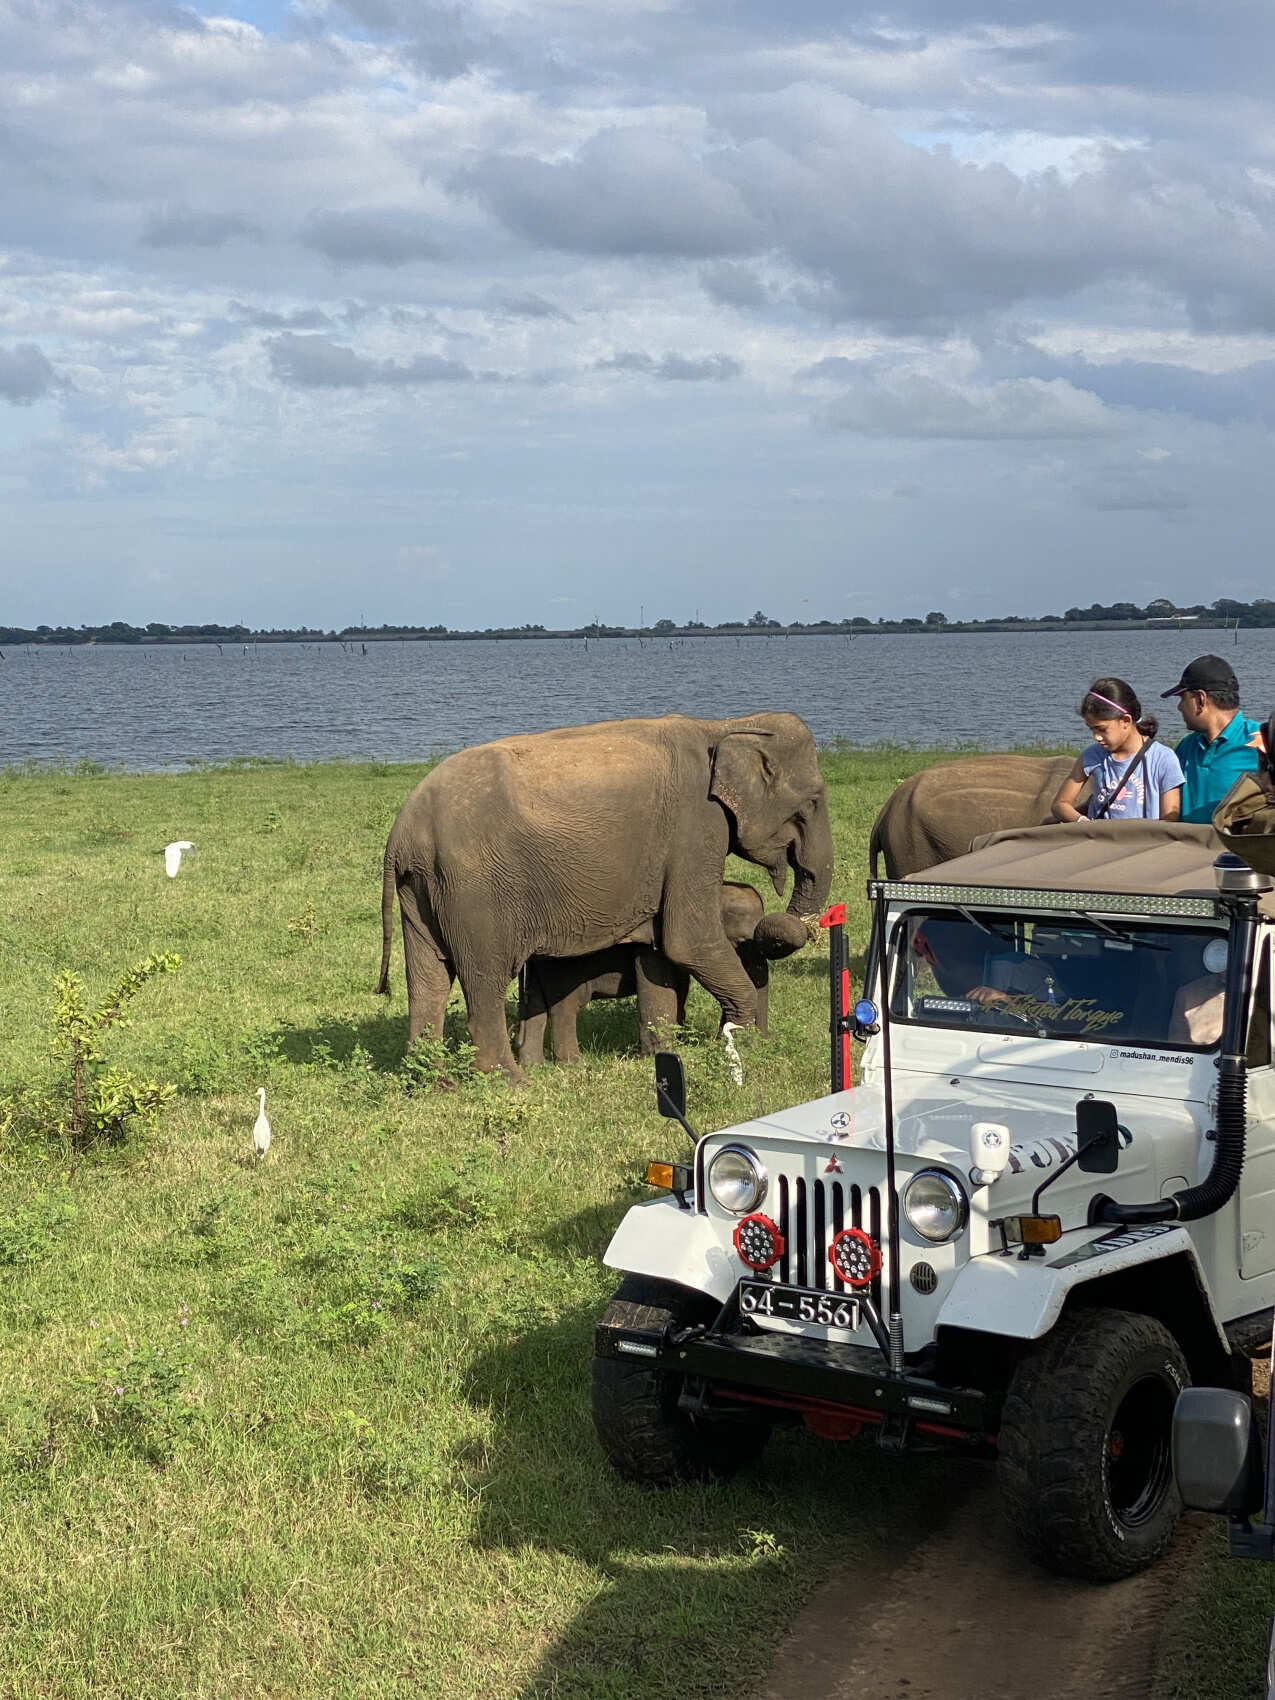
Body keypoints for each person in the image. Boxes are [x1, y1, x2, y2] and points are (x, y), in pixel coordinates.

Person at [1052, 677, 1183, 823]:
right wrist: (1083, 822)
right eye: (1092, 730)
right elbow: (1060, 804)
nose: (1097, 737)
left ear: (1125, 721)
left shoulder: (1163, 758)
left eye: (1102, 729)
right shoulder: (1092, 755)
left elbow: (1170, 818)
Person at [1161, 655, 1262, 825]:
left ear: (1201, 700)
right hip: (1187, 848)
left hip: (1239, 849)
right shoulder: (1186, 747)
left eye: (1182, 699)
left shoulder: (1261, 741)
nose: (1179, 707)